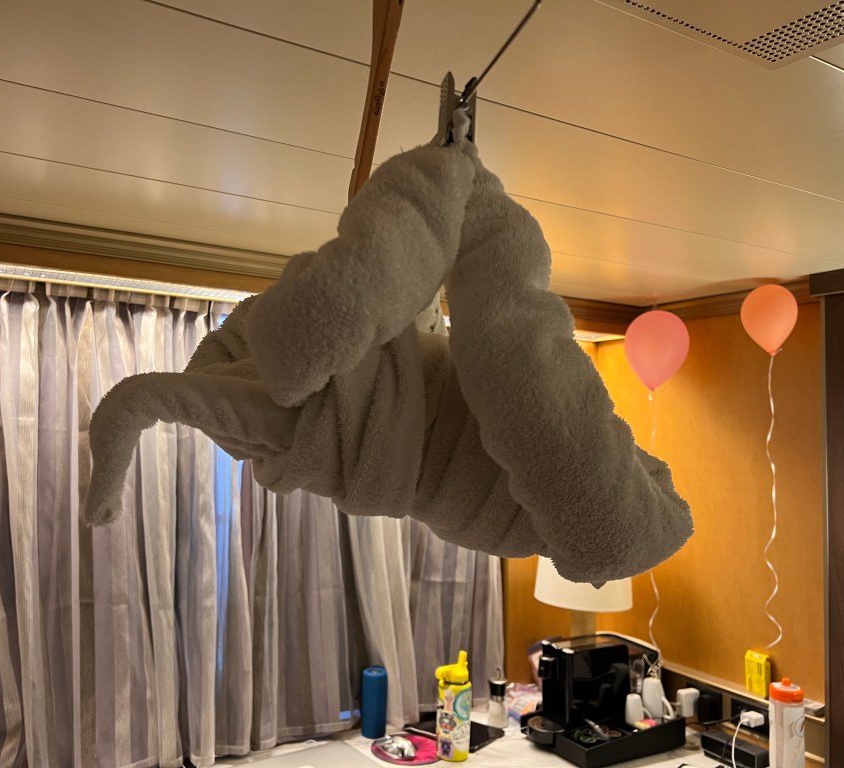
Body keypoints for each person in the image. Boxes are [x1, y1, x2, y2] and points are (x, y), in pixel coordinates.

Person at [84, 134, 692, 585]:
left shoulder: (293, 412)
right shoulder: (301, 409)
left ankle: (449, 197)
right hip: (435, 451)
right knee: (497, 356)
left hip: (428, 450)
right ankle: (448, 198)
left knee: (483, 345)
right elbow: (143, 399)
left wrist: (471, 194)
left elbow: (141, 398)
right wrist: (468, 193)